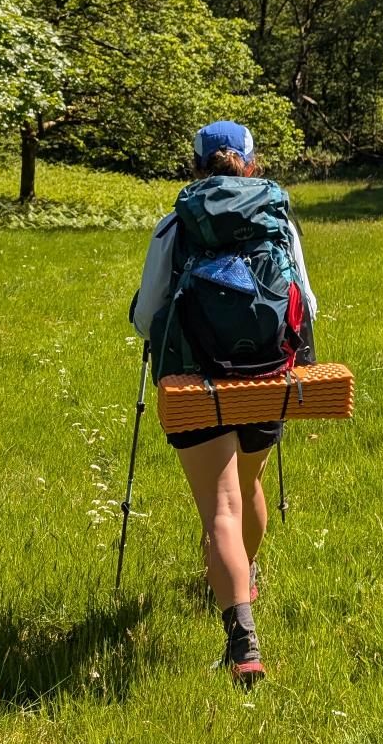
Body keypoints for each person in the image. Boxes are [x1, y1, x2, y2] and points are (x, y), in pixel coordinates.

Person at [128, 119, 317, 686]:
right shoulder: (278, 220)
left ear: (197, 166)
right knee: (249, 487)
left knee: (220, 509)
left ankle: (243, 643)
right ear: (251, 163)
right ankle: (245, 575)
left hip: (195, 382)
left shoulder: (175, 224)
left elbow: (146, 316)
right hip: (267, 376)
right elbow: (304, 300)